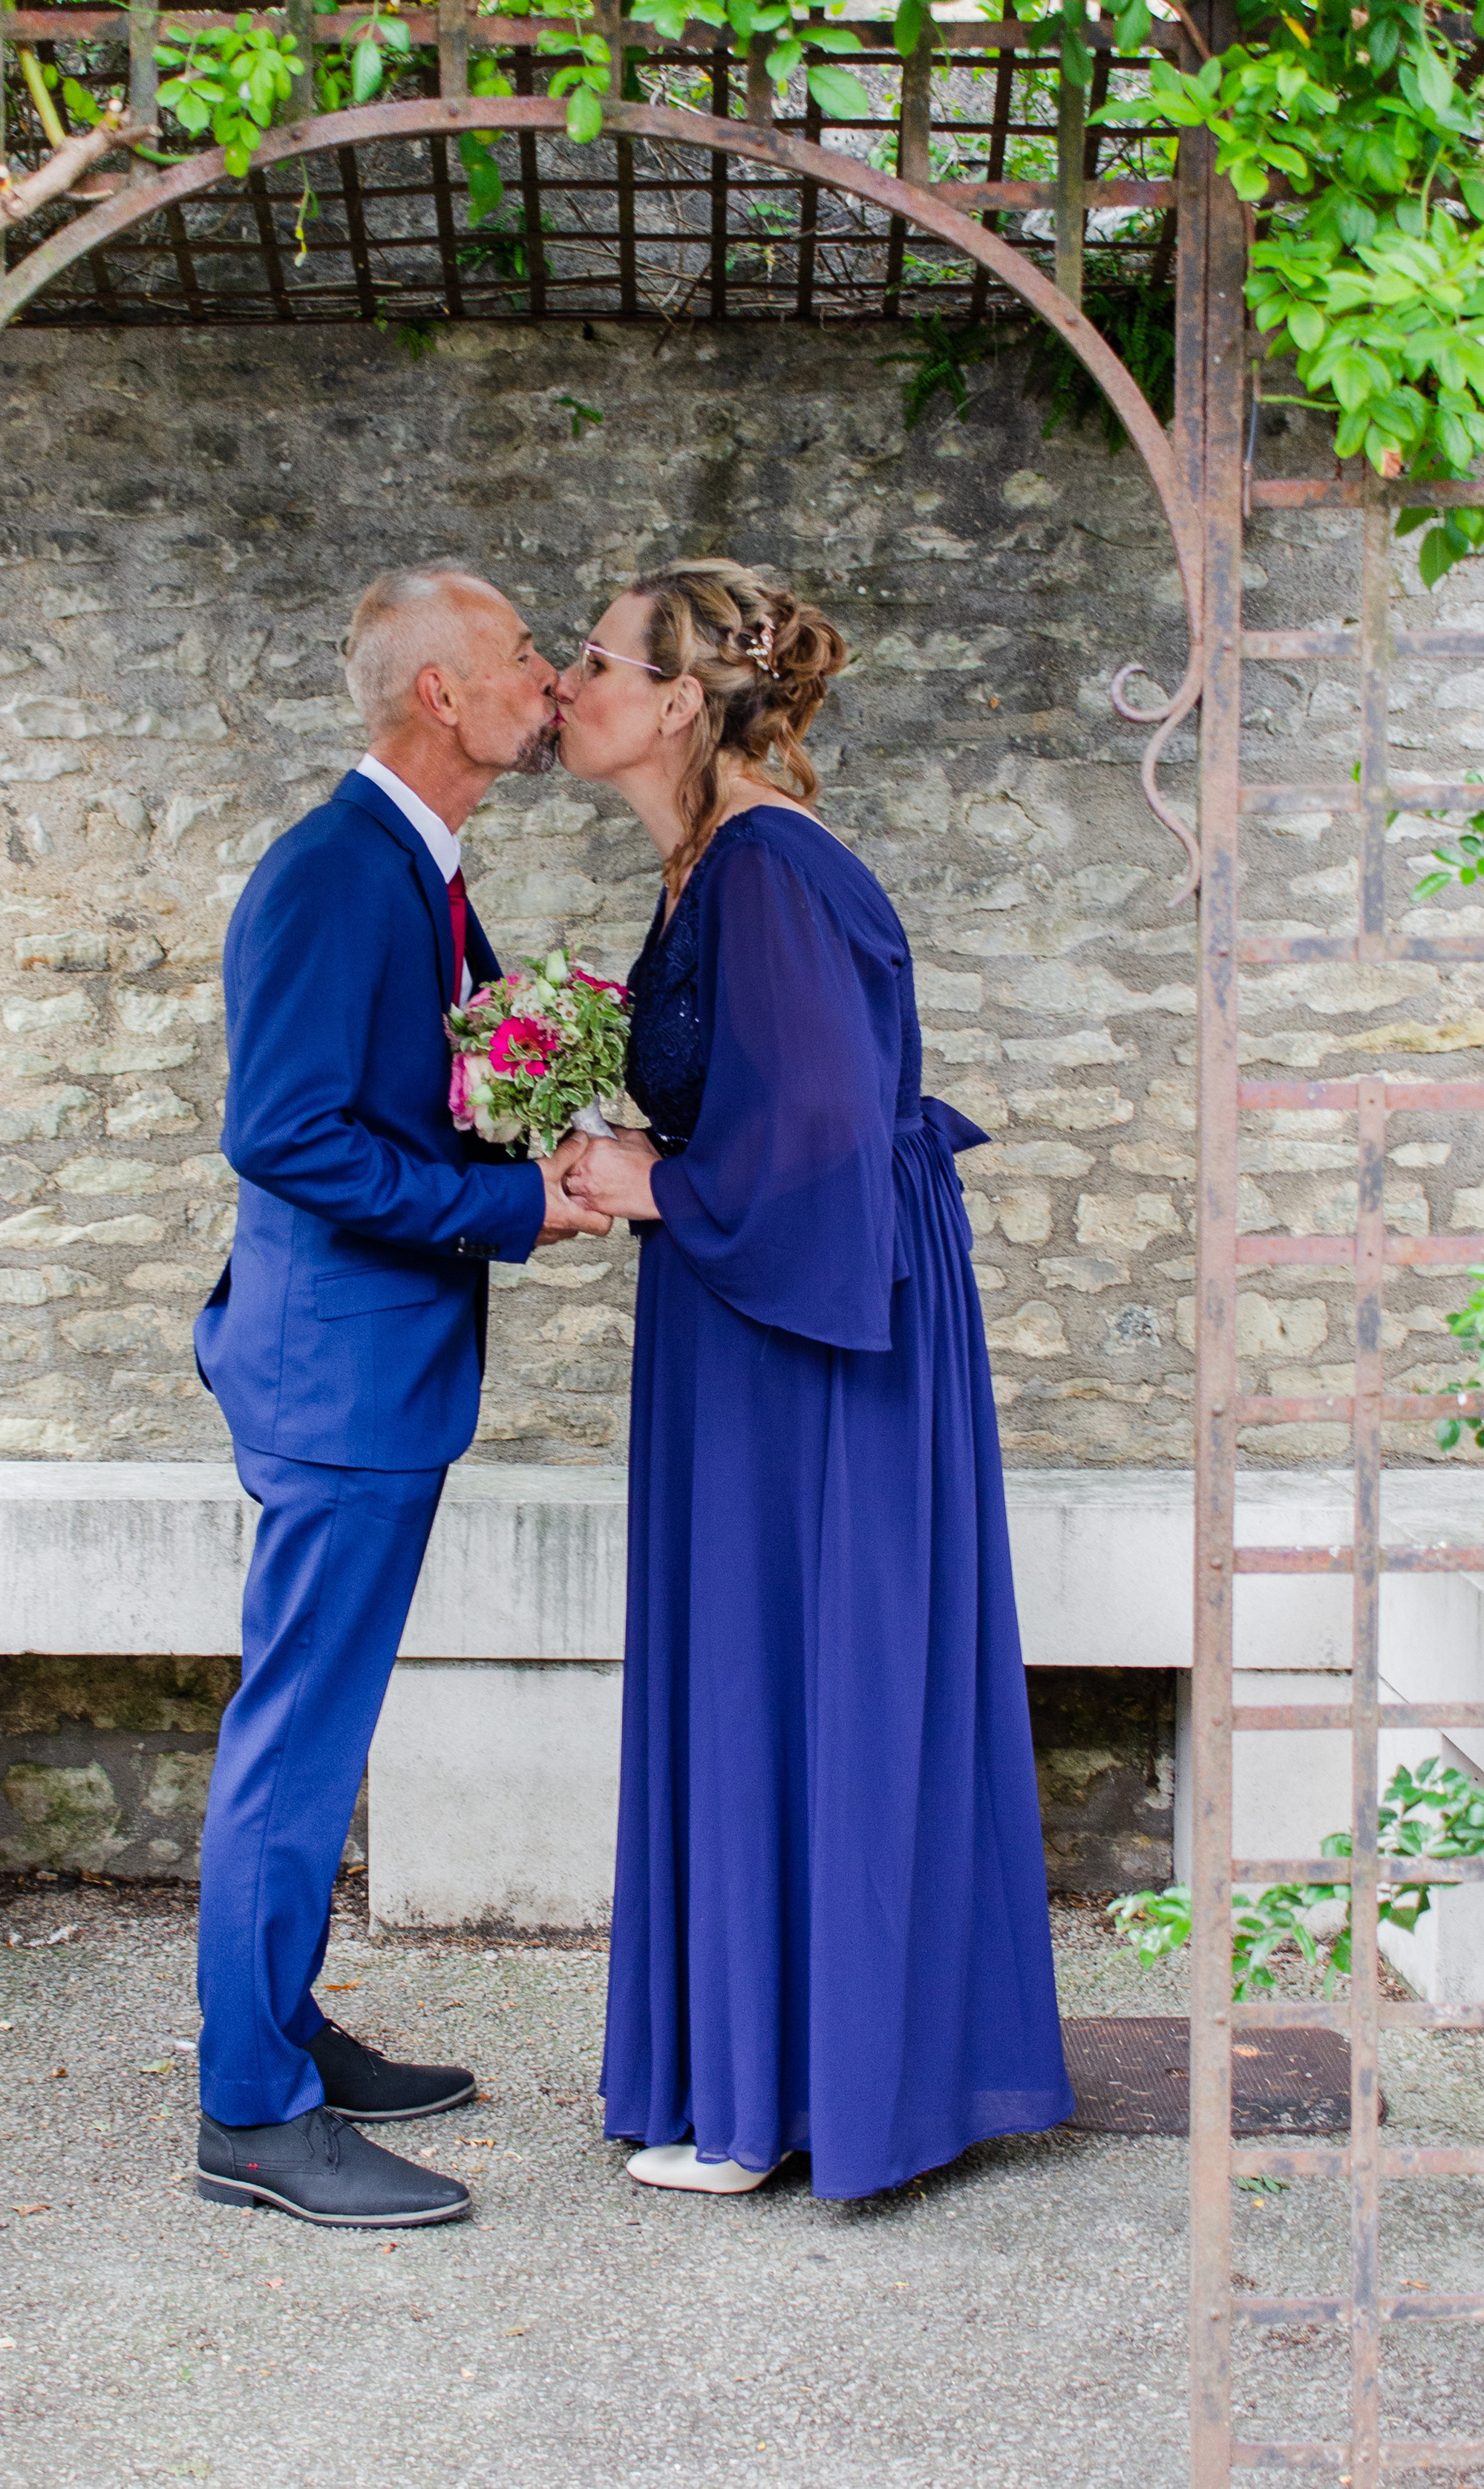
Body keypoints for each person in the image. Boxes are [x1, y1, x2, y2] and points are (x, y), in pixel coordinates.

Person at [554, 558, 1073, 2201]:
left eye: (589, 662)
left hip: (806, 1328)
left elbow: (831, 1130)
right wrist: (633, 1144)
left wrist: (657, 1183)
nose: (563, 687)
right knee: (750, 1662)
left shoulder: (766, 865)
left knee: (793, 1664)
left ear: (673, 702)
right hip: (755, 1310)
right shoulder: (706, 860)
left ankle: (786, 2096)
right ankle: (759, 2072)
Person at [191, 562, 609, 2229]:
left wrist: (555, 1119)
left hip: (376, 1368)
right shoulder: (331, 877)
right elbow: (282, 1131)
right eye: (521, 655)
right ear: (440, 692)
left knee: (316, 1729)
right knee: (293, 1749)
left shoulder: (423, 873)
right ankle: (250, 2114)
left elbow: (437, 1086)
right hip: (337, 1378)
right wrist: (510, 1207)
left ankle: (278, 2026)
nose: (548, 679)